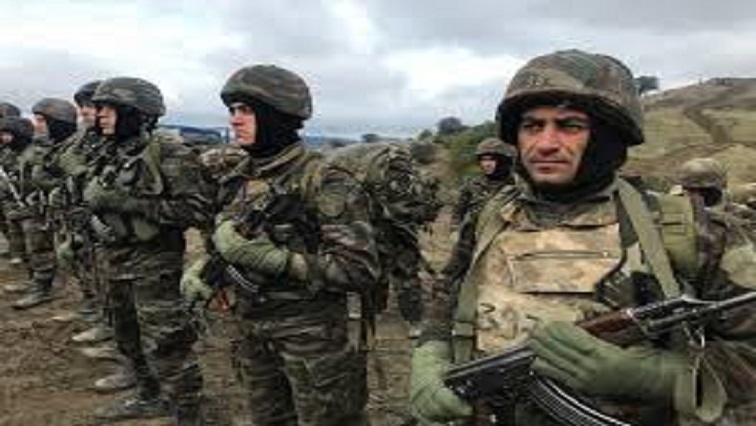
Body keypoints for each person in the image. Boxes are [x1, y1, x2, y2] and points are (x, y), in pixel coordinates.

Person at [409, 49, 756, 426]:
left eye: (569, 126)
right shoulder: (490, 217)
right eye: (532, 126)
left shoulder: (692, 230)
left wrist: (658, 377)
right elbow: (447, 297)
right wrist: (429, 355)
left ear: (609, 135)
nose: (545, 143)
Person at [180, 64, 378, 425]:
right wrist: (207, 268)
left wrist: (280, 261)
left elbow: (359, 270)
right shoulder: (237, 179)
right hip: (252, 332)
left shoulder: (325, 180)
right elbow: (231, 243)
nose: (235, 119)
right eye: (233, 110)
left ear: (278, 115)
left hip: (311, 341)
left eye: (246, 110)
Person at [84, 76, 212, 423]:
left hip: (154, 264)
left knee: (166, 342)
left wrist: (127, 203)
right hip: (114, 258)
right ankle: (149, 394)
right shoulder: (110, 151)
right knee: (126, 335)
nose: (101, 115)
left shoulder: (170, 152)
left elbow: (196, 210)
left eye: (109, 108)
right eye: (99, 108)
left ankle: (188, 411)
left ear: (136, 113)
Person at [452, 137, 516, 225]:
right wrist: (455, 231)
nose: (486, 164)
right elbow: (457, 215)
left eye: (492, 159)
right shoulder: (472, 185)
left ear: (503, 160)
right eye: (483, 159)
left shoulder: (518, 185)